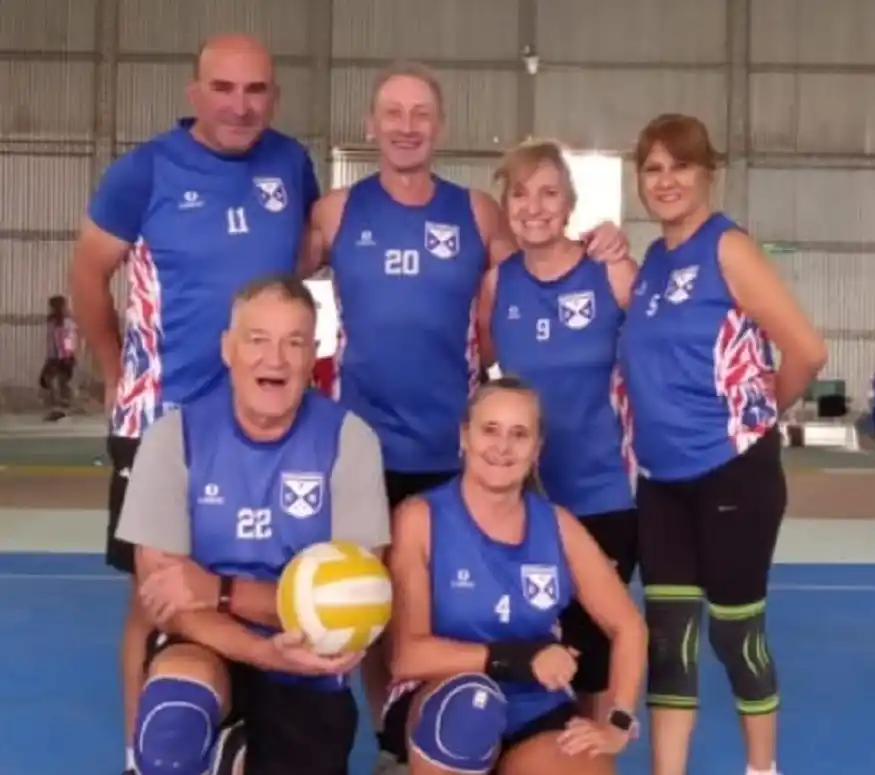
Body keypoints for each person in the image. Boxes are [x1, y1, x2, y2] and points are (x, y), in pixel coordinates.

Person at [298, 61, 630, 752]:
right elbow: (265, 287)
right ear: (370, 124)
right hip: (362, 448)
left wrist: (606, 246)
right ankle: (399, 738)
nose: (406, 126)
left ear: (439, 126)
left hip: (460, 454)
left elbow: (535, 273)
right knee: (375, 606)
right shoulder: (335, 212)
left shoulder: (478, 212)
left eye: (421, 113)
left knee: (459, 603)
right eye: (393, 112)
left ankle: (526, 724)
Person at [68, 34, 320, 775]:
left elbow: (306, 254)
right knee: (156, 599)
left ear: (273, 95)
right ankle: (143, 752)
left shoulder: (290, 163)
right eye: (224, 88)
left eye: (256, 91)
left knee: (248, 578)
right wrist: (115, 365)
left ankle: (243, 726)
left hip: (264, 427)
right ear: (194, 91)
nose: (240, 105)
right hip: (163, 426)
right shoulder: (143, 172)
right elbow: (88, 275)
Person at [618, 114, 827, 775]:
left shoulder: (727, 247)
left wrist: (757, 416)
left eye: (680, 165)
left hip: (732, 474)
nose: (667, 180)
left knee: (736, 634)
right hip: (660, 481)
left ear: (708, 172)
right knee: (668, 644)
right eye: (653, 168)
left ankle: (761, 769)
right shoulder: (651, 262)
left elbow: (808, 350)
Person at [114, 275, 390, 775]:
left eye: (294, 342)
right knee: (173, 724)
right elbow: (167, 604)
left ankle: (233, 756)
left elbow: (356, 605)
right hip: (207, 644)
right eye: (257, 339)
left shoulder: (350, 441)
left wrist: (217, 588)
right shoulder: (173, 439)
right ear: (228, 349)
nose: (275, 359)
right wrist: (267, 646)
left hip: (309, 666)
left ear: (313, 357)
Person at [380, 376, 647, 775]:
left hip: (534, 704)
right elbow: (407, 656)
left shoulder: (558, 526)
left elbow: (629, 626)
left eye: (519, 434)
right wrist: (517, 659)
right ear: (465, 437)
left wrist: (619, 721)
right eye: (490, 430)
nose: (502, 447)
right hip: (442, 693)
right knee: (471, 707)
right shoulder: (420, 519)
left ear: (536, 449)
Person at [476, 139, 639, 722]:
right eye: (519, 193)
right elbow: (485, 374)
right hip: (525, 504)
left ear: (569, 202)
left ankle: (593, 753)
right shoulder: (497, 286)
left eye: (548, 192)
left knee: (593, 650)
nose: (534, 206)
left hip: (603, 495)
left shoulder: (609, 271)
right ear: (506, 205)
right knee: (533, 644)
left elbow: (664, 353)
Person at [39, 294, 78, 421]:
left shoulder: (64, 322)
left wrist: (66, 356)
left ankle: (62, 407)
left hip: (61, 357)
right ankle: (62, 405)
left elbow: (65, 340)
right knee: (50, 381)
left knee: (54, 381)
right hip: (55, 357)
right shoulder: (54, 321)